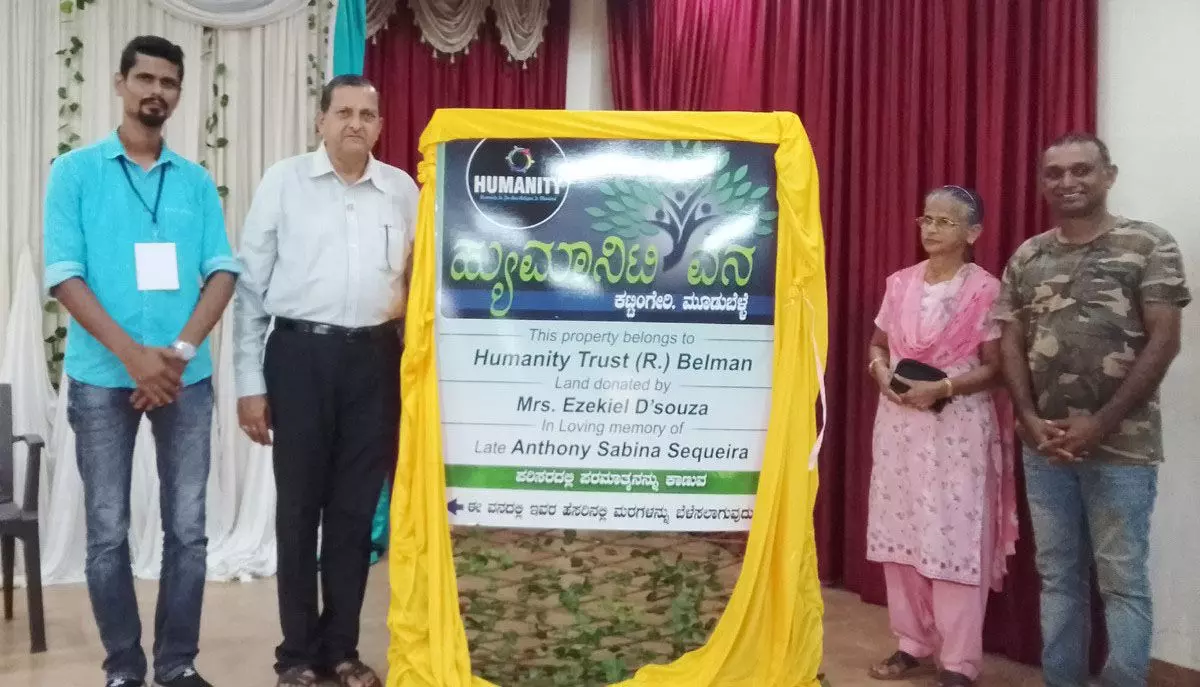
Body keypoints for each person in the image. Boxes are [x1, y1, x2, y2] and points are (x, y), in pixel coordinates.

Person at [42, 35, 239, 687]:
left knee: (189, 529)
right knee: (107, 531)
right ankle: (124, 668)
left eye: (169, 82)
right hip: (103, 377)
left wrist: (176, 355)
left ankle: (177, 664)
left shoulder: (196, 182)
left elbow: (221, 272)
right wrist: (133, 357)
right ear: (120, 82)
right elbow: (65, 275)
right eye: (145, 78)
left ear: (179, 92)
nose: (157, 91)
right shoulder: (75, 172)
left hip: (186, 378)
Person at [233, 74, 418, 687]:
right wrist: (250, 384)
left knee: (354, 513)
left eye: (367, 114)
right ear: (321, 121)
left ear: (380, 126)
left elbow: (418, 284)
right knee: (298, 511)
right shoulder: (284, 182)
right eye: (344, 112)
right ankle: (295, 655)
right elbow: (250, 292)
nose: (355, 124)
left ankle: (341, 649)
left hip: (374, 362)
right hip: (299, 358)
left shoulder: (402, 191)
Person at [995, 133, 1190, 687]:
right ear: (1042, 183)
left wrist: (1099, 425)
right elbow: (1010, 340)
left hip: (1122, 448)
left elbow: (1164, 341)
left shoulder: (1148, 245)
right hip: (1044, 447)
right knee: (1058, 577)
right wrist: (1027, 418)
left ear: (1109, 175)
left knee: (1122, 582)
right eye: (1055, 173)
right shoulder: (1028, 256)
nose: (1068, 182)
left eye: (1082, 170)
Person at [865, 186, 1018, 687]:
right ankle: (912, 642)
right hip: (899, 425)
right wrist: (881, 374)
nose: (931, 229)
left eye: (945, 222)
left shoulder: (987, 291)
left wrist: (944, 388)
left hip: (957, 428)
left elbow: (997, 368)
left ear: (972, 233)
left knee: (954, 540)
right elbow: (878, 345)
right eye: (926, 219)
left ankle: (958, 662)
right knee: (902, 534)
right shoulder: (899, 284)